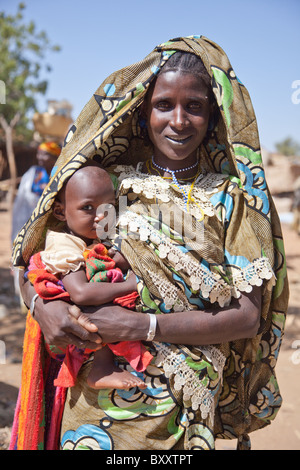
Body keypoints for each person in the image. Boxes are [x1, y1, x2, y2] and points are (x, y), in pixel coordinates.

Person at [10, 36, 289, 451]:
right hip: (92, 414)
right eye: (164, 105)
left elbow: (247, 318)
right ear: (143, 113)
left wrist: (143, 325)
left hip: (181, 415)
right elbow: (41, 263)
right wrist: (41, 307)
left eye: (194, 106)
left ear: (213, 117)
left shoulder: (234, 202)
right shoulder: (107, 183)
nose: (178, 120)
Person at [27, 163, 150, 390]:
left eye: (108, 208)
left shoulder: (89, 236)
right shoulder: (64, 245)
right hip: (77, 319)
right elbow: (81, 293)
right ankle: (101, 367)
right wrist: (131, 284)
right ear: (60, 212)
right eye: (88, 208)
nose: (100, 217)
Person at [11, 141, 61, 300]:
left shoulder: (60, 173)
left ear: (54, 157)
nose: (40, 157)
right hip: (29, 223)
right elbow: (26, 201)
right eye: (39, 153)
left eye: (45, 154)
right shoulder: (34, 174)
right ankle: (25, 295)